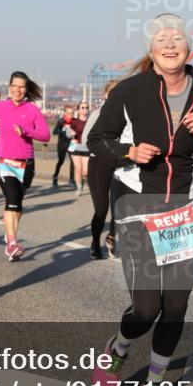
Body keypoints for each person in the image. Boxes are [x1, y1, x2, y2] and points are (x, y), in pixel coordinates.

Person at [87, 13, 193, 386]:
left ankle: (158, 382)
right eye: (162, 40)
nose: (170, 45)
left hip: (185, 211)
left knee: (176, 306)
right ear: (151, 50)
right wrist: (128, 152)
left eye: (177, 39)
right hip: (138, 206)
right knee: (146, 309)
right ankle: (118, 349)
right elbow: (97, 139)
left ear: (188, 48)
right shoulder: (130, 91)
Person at [0, 72, 50, 261]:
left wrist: (26, 131)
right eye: (14, 86)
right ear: (9, 86)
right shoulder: (0, 106)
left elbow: (45, 135)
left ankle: (10, 234)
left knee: (17, 205)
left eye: (21, 87)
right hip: (4, 162)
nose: (17, 90)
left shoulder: (32, 110)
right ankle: (12, 242)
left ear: (26, 90)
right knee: (12, 199)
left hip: (26, 164)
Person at [83, 81, 120, 259]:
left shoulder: (127, 115)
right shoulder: (97, 114)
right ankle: (95, 242)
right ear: (105, 95)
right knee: (102, 208)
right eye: (112, 93)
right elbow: (85, 139)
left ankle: (111, 237)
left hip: (120, 164)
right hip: (99, 163)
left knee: (119, 207)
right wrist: (107, 147)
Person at [51, 105, 76, 188]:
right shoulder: (61, 121)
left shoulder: (74, 121)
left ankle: (72, 180)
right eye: (69, 113)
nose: (70, 115)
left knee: (73, 161)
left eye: (72, 113)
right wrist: (64, 132)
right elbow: (54, 131)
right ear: (65, 113)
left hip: (71, 144)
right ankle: (55, 177)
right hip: (62, 143)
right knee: (61, 161)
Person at [69, 102, 90, 195]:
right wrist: (70, 133)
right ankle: (78, 188)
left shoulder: (90, 122)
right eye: (83, 107)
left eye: (86, 107)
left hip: (86, 148)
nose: (85, 109)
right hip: (76, 147)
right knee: (78, 169)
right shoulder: (74, 122)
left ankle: (85, 180)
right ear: (78, 110)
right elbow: (68, 132)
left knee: (85, 171)